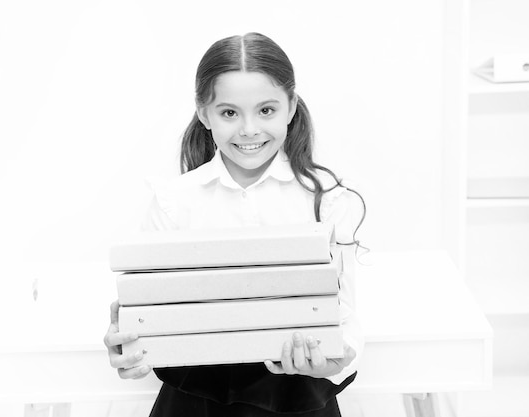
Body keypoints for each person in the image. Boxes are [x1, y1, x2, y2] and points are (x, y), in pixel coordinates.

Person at [104, 32, 366, 417]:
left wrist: (335, 360)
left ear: (291, 107)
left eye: (266, 110)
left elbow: (347, 318)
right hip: (196, 402)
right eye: (229, 113)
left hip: (297, 400)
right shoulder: (174, 202)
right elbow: (146, 314)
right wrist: (128, 344)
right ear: (203, 112)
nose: (248, 129)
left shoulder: (327, 200)